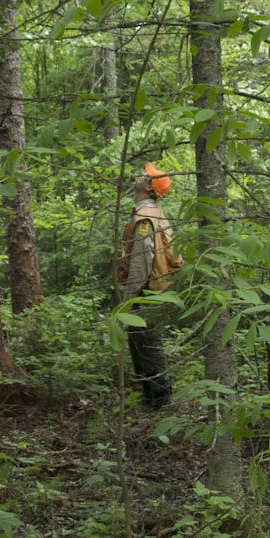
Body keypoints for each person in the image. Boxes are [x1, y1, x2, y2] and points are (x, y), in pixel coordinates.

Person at [114, 163, 184, 410]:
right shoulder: (156, 214)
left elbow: (142, 262)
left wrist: (127, 300)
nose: (141, 175)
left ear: (147, 186)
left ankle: (159, 404)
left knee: (148, 351)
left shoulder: (145, 218)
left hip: (145, 294)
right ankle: (151, 403)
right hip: (155, 291)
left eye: (145, 176)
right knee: (144, 349)